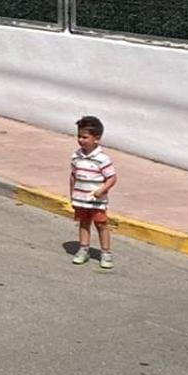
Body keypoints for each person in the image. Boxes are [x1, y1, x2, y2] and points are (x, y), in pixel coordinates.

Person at [69, 114, 118, 270]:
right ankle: (84, 249)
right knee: (83, 223)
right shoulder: (76, 157)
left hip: (96, 201)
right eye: (79, 136)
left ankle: (106, 252)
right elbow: (73, 176)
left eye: (85, 137)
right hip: (80, 199)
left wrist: (101, 190)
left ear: (96, 139)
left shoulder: (102, 159)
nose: (81, 140)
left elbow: (112, 178)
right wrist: (72, 195)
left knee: (101, 224)